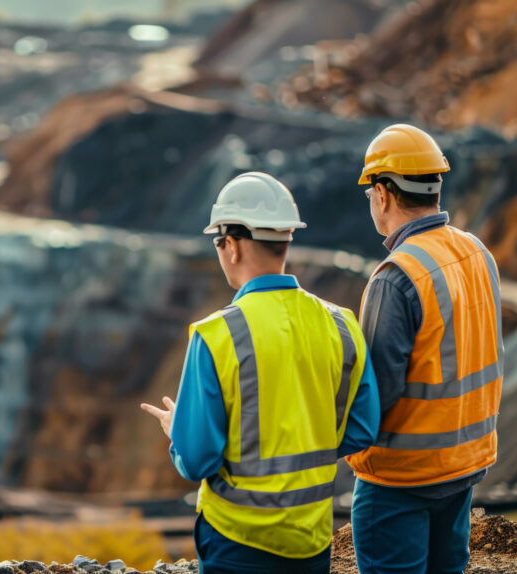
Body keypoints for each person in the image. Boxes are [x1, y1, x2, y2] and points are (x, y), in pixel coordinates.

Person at [141, 172, 380, 574]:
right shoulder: (343, 326)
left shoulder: (217, 335)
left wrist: (177, 429)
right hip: (311, 539)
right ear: (286, 239)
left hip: (238, 543)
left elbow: (197, 460)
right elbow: (361, 431)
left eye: (218, 242)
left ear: (231, 245)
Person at [347, 124, 504, 574]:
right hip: (461, 465)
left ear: (382, 193)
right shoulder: (476, 253)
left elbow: (374, 394)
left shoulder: (395, 277)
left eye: (370, 194)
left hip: (399, 478)